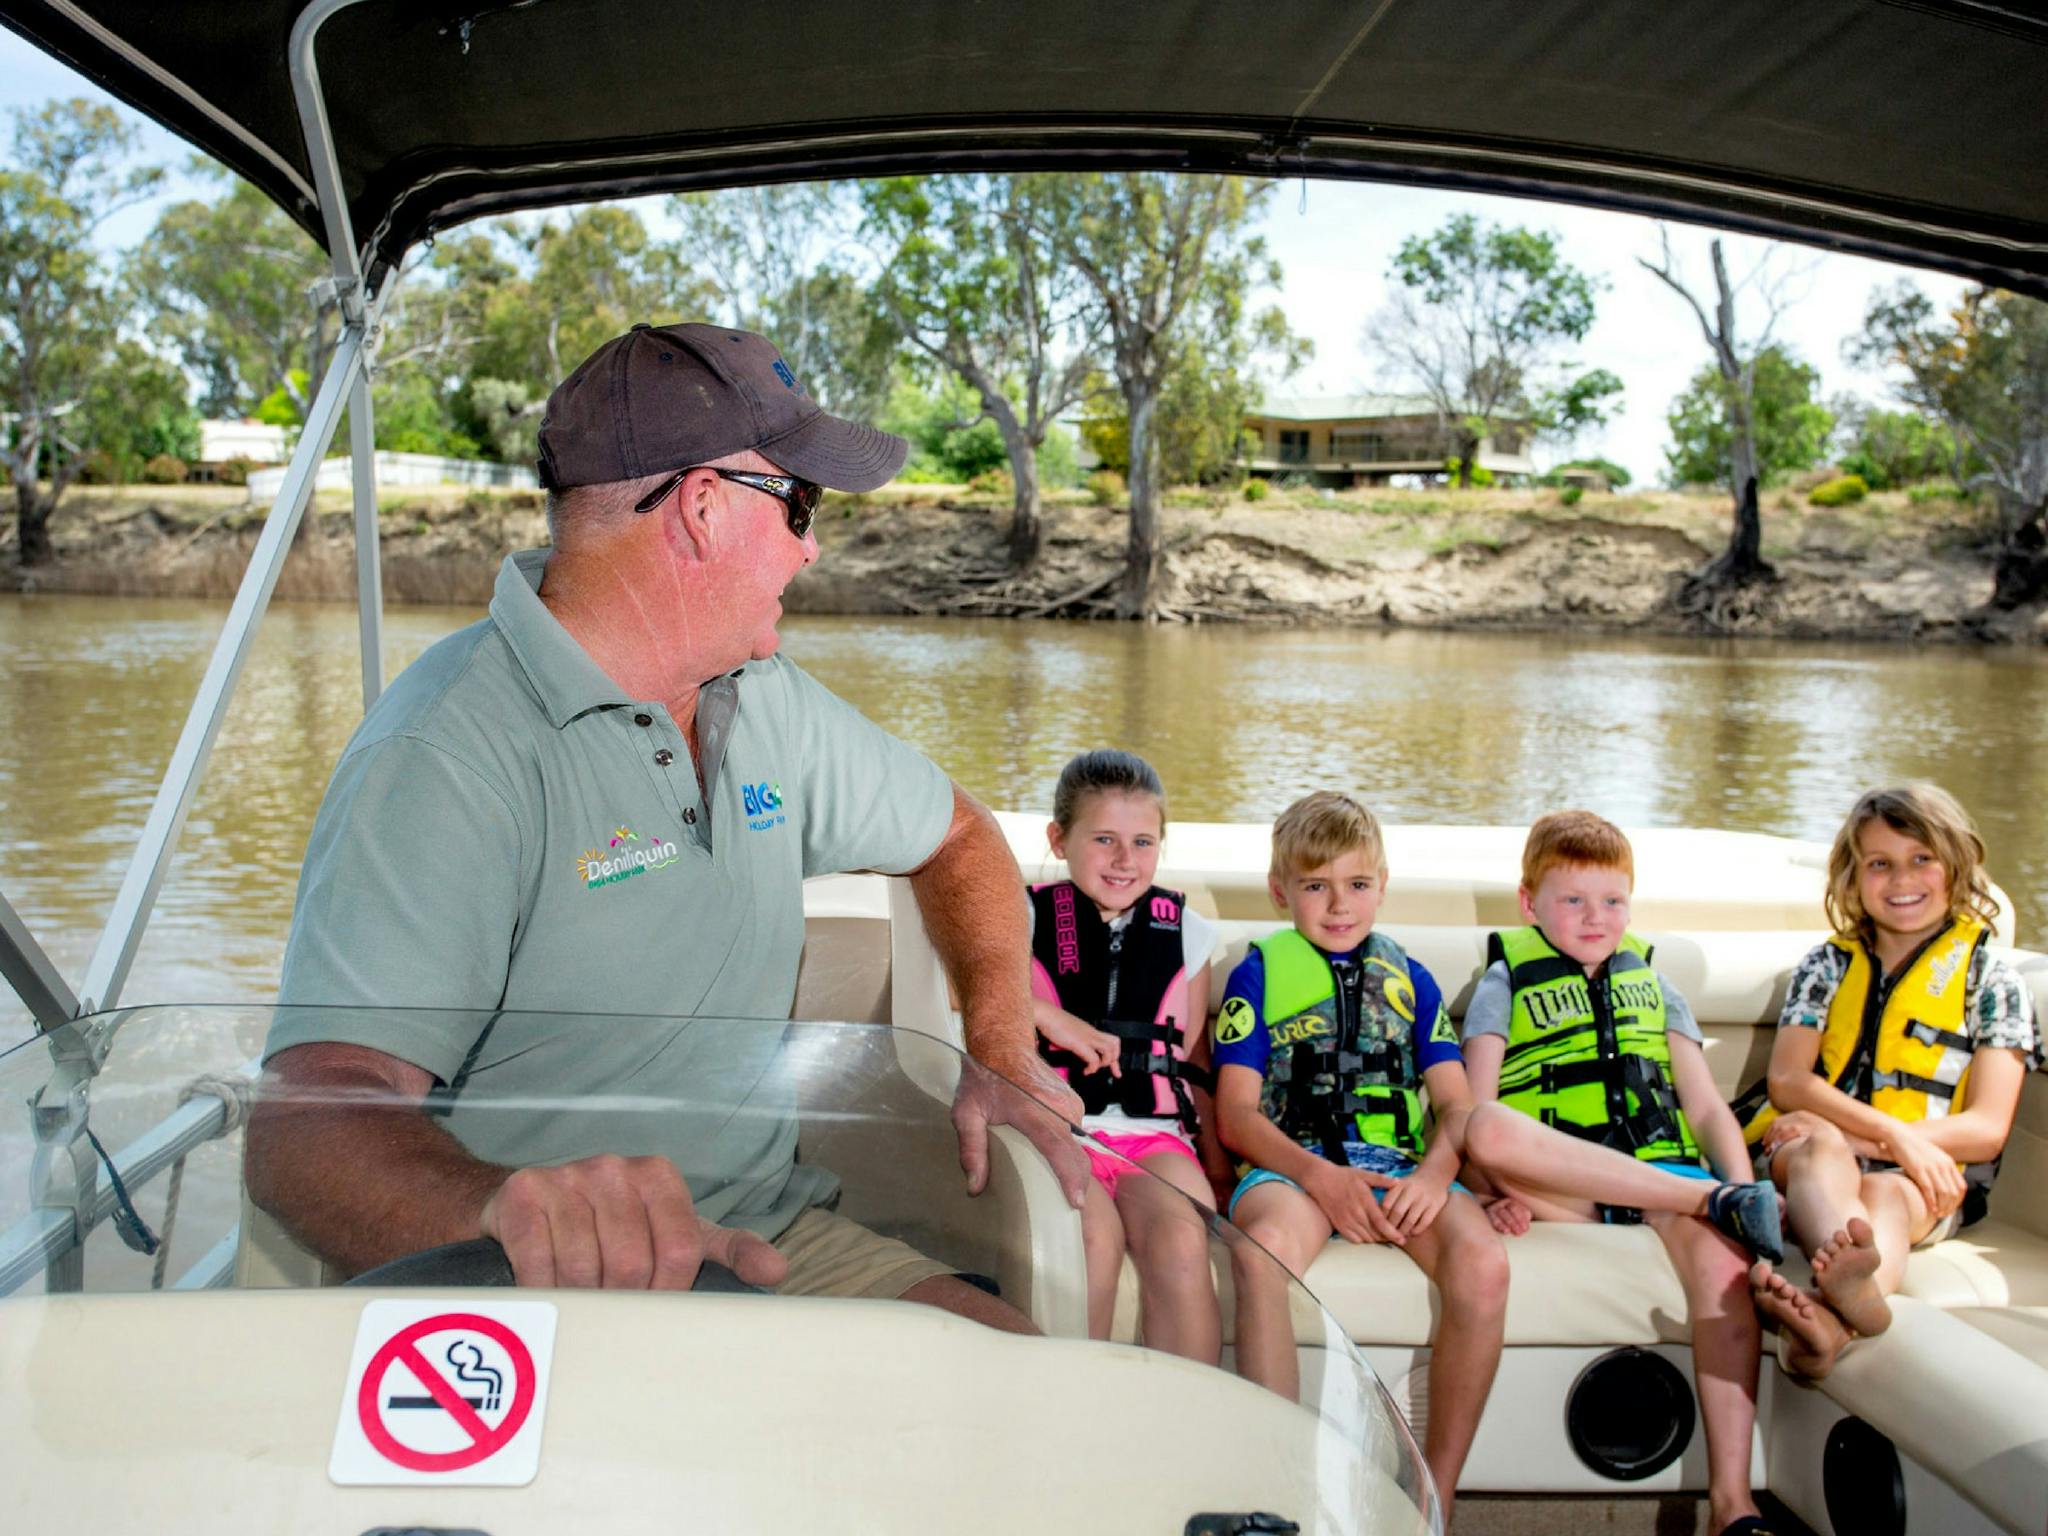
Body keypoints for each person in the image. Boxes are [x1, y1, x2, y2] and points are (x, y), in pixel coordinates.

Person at [245, 321, 1085, 1327]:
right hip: (532, 1286)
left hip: (776, 1240)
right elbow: (306, 1124)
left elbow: (958, 838)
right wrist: (503, 1214)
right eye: (800, 505)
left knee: (1022, 1378)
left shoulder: (764, 693)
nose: (811, 546)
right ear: (700, 507)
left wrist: (999, 1043)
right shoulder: (446, 754)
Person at [1457, 811, 1785, 1536]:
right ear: (1529, 902)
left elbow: (1703, 1104)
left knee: (1726, 1269)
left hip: (1660, 1180)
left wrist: (1747, 1190)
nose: (1595, 918)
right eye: (1572, 900)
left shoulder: (1656, 986)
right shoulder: (1502, 982)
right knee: (1485, 1125)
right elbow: (1475, 1108)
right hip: (1561, 1189)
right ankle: (1708, 1199)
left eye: (1612, 901)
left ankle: (1733, 1504)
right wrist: (1486, 1192)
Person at [1210, 791, 1506, 1524]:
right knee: (1262, 1252)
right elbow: (1236, 1114)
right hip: (1293, 1168)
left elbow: (1458, 1106)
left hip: (1398, 1165)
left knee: (1485, 1264)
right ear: (1282, 892)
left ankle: (1434, 1496)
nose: (1338, 905)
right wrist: (1320, 1177)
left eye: (1357, 884)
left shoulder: (1413, 978)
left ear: (1381, 885)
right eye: (1315, 886)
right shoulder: (1259, 974)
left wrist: (1438, 1174)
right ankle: (1273, 1489)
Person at [1744, 785, 2040, 1379]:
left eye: (1921, 859)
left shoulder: (1993, 981)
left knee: (1887, 1195)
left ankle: (1839, 1314)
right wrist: (1893, 1137)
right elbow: (1788, 1081)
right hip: (1816, 1152)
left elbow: (1986, 1129)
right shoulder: (1825, 966)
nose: (1901, 879)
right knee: (1817, 1146)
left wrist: (1886, 1146)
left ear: (1956, 866)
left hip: (1922, 1178)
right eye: (1880, 864)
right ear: (1853, 879)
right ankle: (1851, 1279)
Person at [1028, 749, 1224, 1359]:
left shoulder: (1188, 932)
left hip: (1155, 1139)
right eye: (1105, 839)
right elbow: (963, 990)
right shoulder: (1020, 915)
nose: (1124, 860)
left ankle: (1186, 1421)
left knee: (1183, 1245)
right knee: (1091, 1239)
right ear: (1059, 840)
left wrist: (1220, 1169)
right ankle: (1070, 1417)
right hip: (1056, 1130)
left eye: (1143, 842)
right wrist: (1048, 1016)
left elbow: (1194, 1062)